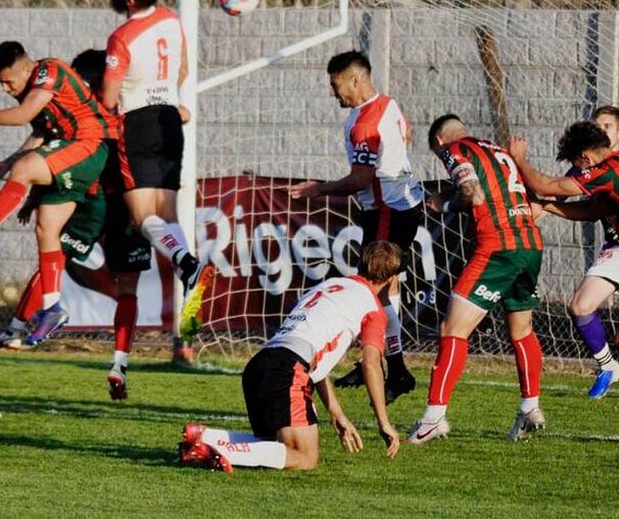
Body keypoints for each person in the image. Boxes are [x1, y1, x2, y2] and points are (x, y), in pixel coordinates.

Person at [0, 49, 150, 399]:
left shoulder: (122, 114)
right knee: (52, 246)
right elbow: (44, 138)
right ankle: (20, 326)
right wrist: (29, 194)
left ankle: (119, 363)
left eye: (88, 82)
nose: (83, 88)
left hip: (119, 203)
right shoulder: (68, 110)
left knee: (126, 284)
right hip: (89, 200)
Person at [508, 121, 619, 445]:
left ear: (586, 158)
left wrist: (519, 158)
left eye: (577, 166)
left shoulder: (607, 171)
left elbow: (545, 184)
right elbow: (593, 209)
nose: (578, 173)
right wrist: (548, 206)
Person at [0, 42, 115, 346]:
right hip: (71, 152)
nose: (6, 89)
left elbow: (23, 116)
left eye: (9, 81)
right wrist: (7, 165)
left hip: (88, 146)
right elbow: (39, 133)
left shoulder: (50, 70)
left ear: (26, 68)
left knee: (26, 170)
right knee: (45, 229)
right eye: (1, 83)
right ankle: (51, 307)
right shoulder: (32, 91)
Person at [179, 241, 402, 472]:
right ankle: (222, 452)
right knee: (305, 458)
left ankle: (206, 437)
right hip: (287, 370)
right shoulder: (373, 308)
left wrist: (337, 413)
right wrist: (384, 423)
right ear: (392, 278)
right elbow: (371, 364)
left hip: (260, 365)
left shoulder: (327, 286)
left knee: (277, 449)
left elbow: (314, 359)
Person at [288, 50, 422, 402]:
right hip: (395, 206)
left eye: (336, 85)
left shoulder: (365, 124)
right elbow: (405, 139)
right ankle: (379, 363)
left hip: (387, 210)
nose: (334, 93)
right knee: (384, 291)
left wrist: (320, 189)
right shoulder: (388, 105)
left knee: (370, 290)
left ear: (355, 80)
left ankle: (392, 370)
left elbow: (361, 178)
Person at [408, 114, 546, 445]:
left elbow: (474, 194)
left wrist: (445, 203)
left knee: (452, 330)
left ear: (439, 143)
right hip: (530, 244)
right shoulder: (495, 150)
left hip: (497, 248)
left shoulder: (454, 151)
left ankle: (434, 418)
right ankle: (530, 408)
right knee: (522, 330)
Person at [103, 0, 213, 310]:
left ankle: (186, 260)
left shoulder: (122, 37)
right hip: (168, 116)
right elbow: (182, 70)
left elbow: (108, 97)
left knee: (141, 216)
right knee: (168, 215)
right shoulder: (170, 18)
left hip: (137, 123)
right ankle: (189, 274)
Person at [539, 106, 619, 399]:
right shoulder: (584, 164)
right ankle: (608, 366)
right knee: (581, 305)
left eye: (608, 126)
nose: (602, 131)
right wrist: (538, 209)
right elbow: (557, 192)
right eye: (597, 126)